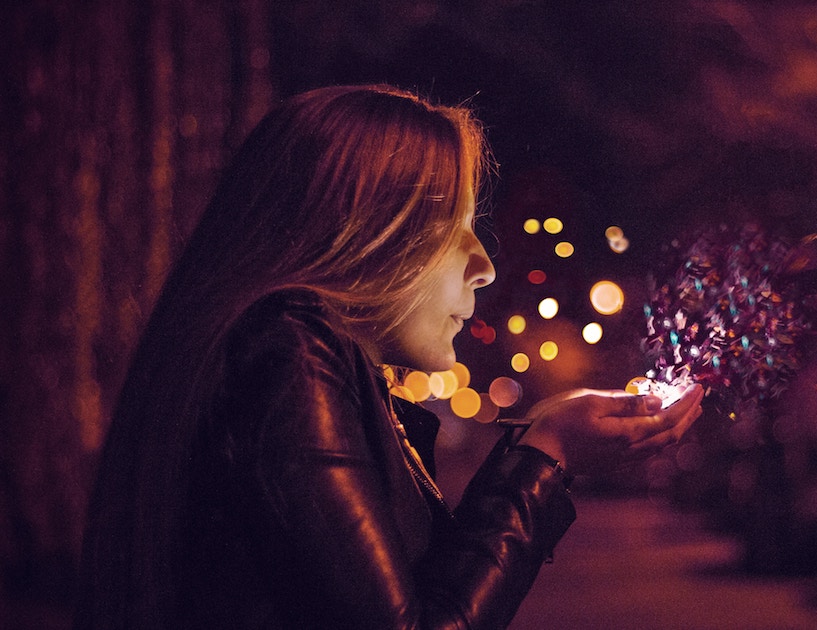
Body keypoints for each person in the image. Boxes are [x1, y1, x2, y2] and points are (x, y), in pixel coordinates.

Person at [75, 84, 703, 629]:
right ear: (364, 232)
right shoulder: (287, 351)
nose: (484, 267)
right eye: (453, 229)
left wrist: (542, 443)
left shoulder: (290, 357)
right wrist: (548, 455)